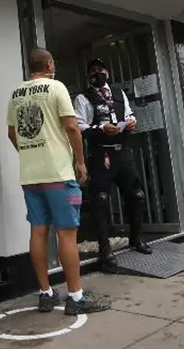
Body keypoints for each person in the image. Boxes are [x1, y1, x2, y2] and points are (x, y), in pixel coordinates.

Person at [8, 49, 111, 315]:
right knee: (66, 233)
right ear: (50, 64)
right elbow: (72, 127)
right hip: (58, 173)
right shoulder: (56, 87)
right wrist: (80, 162)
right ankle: (76, 298)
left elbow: (11, 132)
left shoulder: (17, 93)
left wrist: (29, 155)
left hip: (30, 176)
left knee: (38, 232)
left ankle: (46, 293)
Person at [73, 59, 150, 271]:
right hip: (100, 154)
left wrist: (132, 121)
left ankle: (136, 238)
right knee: (100, 199)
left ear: (108, 71)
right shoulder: (83, 97)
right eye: (93, 71)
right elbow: (79, 125)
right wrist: (100, 128)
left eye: (101, 69)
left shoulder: (118, 93)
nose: (98, 73)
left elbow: (128, 114)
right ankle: (105, 249)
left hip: (123, 152)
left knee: (137, 195)